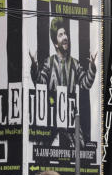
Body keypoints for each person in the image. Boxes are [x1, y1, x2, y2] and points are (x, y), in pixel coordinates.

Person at [29, 17, 97, 148]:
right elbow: (40, 83)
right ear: (55, 43)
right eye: (61, 35)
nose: (65, 37)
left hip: (70, 115)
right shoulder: (49, 62)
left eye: (65, 34)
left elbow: (85, 84)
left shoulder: (75, 64)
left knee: (81, 148)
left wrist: (92, 69)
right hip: (52, 114)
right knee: (40, 148)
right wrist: (34, 68)